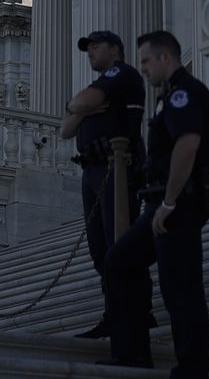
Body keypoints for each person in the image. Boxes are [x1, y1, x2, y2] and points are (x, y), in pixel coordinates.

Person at [100, 30, 209, 377]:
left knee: (181, 287)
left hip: (178, 204)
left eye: (147, 62)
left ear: (165, 58)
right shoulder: (169, 96)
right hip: (160, 204)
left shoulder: (185, 94)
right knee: (119, 262)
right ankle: (131, 352)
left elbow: (188, 145)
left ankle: (192, 369)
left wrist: (169, 202)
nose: (144, 70)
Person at [61, 30, 149, 340]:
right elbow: (66, 130)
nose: (90, 52)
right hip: (93, 169)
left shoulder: (120, 74)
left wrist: (80, 106)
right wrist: (80, 107)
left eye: (95, 47)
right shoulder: (100, 85)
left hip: (117, 168)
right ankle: (115, 311)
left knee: (119, 243)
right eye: (88, 48)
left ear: (114, 50)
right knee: (101, 250)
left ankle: (133, 311)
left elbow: (79, 105)